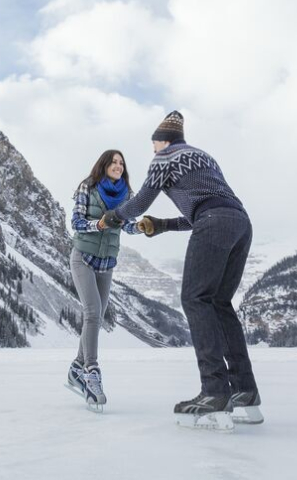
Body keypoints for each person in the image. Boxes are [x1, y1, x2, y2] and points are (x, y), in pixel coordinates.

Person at [101, 111, 261, 421]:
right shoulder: (205, 158)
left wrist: (115, 216)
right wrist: (161, 225)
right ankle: (245, 391)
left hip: (215, 223)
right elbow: (208, 209)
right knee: (219, 302)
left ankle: (215, 391)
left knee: (194, 298)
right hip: (240, 223)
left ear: (161, 141)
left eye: (153, 146)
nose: (153, 151)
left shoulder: (165, 158)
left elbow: (141, 201)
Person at [66, 149, 139, 410]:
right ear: (104, 164)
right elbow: (76, 221)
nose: (119, 166)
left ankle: (76, 368)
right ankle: (91, 372)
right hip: (83, 257)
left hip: (107, 262)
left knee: (95, 319)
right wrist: (98, 225)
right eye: (114, 162)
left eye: (122, 163)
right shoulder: (88, 187)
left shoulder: (127, 195)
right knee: (93, 313)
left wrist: (140, 227)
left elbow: (127, 225)